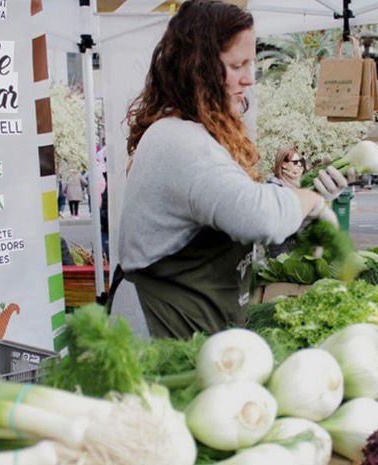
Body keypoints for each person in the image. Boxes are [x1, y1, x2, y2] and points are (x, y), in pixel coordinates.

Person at [118, 0, 345, 339]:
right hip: (158, 336)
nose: (249, 78)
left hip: (195, 334)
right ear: (198, 68)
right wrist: (308, 199)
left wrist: (302, 215)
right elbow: (259, 216)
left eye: (251, 63)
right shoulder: (178, 140)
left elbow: (243, 207)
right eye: (237, 65)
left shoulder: (196, 135)